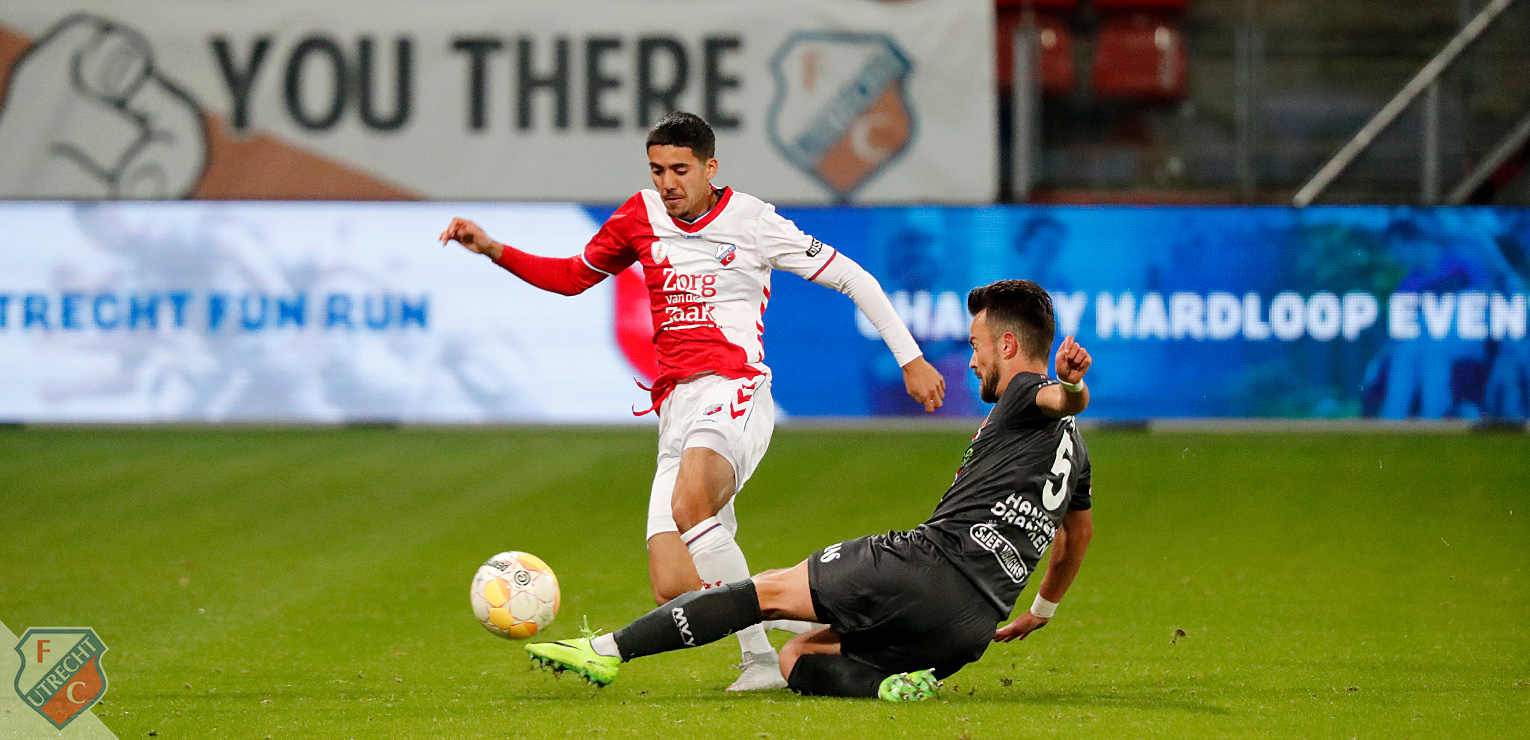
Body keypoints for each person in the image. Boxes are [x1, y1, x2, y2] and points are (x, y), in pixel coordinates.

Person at [440, 112, 946, 690]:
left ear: (710, 167)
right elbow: (574, 276)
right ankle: (836, 621)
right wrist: (492, 249)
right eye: (657, 170)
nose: (667, 182)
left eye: (679, 169)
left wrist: (910, 358)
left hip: (735, 389)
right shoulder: (639, 215)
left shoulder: (753, 221)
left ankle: (759, 662)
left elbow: (853, 276)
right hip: (676, 405)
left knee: (690, 508)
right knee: (675, 584)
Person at [525, 279, 1095, 701]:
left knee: (768, 589)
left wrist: (1070, 385)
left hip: (925, 568)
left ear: (1010, 346)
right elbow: (1078, 534)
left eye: (977, 345)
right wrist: (1041, 609)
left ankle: (604, 651)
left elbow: (1060, 399)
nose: (971, 360)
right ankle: (890, 687)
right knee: (797, 658)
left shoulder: (1029, 391)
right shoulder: (1078, 452)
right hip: (967, 630)